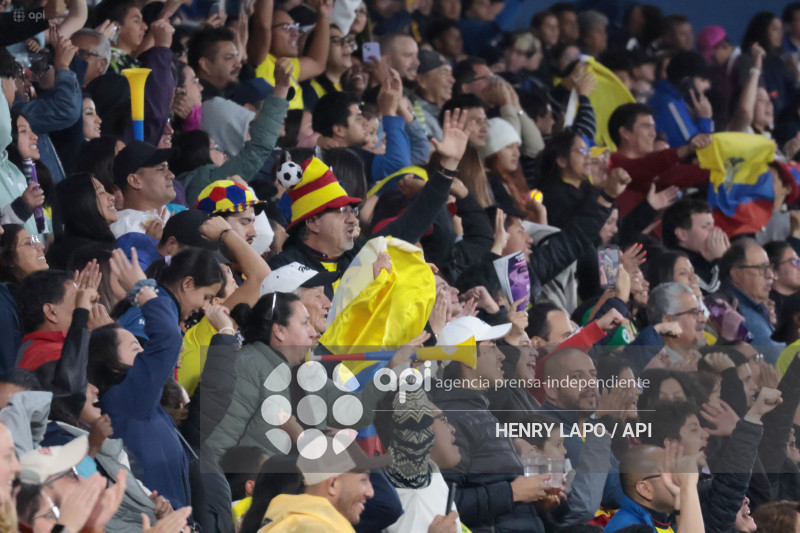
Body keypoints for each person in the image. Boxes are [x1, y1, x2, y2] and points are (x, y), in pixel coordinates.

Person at [89, 246, 224, 509]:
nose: (143, 353)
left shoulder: (139, 401)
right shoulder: (126, 398)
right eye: (136, 348)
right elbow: (167, 339)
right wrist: (143, 290)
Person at [432, 316, 551, 533]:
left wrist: (532, 497)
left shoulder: (478, 412)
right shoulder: (453, 418)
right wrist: (513, 493)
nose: (502, 355)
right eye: (492, 346)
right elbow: (446, 502)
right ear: (467, 358)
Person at [261, 436, 390, 532]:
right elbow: (391, 506)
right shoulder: (324, 529)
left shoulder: (278, 517)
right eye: (363, 480)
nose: (370, 492)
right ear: (333, 484)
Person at [604, 445, 703, 532]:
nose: (679, 476)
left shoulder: (664, 522)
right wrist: (688, 485)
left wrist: (681, 502)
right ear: (645, 489)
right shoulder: (627, 528)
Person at [717, 239, 784, 363]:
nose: (771, 275)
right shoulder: (735, 314)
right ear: (737, 274)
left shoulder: (758, 308)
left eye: (769, 267)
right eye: (762, 268)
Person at [47, 173, 117, 270]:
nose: (111, 197)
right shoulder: (89, 258)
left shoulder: (69, 247)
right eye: (101, 192)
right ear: (82, 202)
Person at [110, 140, 176, 238]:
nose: (171, 175)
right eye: (161, 169)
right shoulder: (125, 227)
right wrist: (155, 245)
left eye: (167, 168)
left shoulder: (170, 216)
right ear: (135, 181)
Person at [647, 51, 714, 148]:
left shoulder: (676, 98)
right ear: (687, 81)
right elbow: (694, 148)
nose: (708, 86)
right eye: (702, 80)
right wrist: (705, 119)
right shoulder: (668, 103)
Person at [662, 198, 730, 293]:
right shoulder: (673, 265)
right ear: (682, 234)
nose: (714, 232)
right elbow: (710, 295)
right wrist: (720, 262)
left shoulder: (706, 260)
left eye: (713, 226)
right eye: (705, 227)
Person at [645, 282, 707, 370]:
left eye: (701, 311)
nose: (703, 319)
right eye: (694, 312)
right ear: (668, 321)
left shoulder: (696, 359)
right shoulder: (656, 367)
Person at [413, 51, 454, 142]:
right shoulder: (413, 113)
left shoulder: (447, 110)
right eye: (444, 73)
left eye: (451, 74)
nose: (452, 80)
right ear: (421, 80)